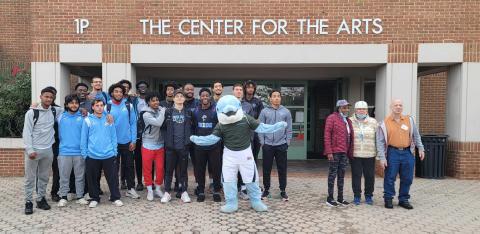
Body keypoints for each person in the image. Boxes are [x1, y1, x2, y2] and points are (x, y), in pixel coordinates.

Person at [190, 95, 287, 213]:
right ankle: (231, 202)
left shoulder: (246, 118)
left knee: (251, 178)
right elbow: (212, 139)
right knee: (228, 180)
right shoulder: (221, 124)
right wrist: (198, 140)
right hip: (229, 155)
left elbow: (261, 127)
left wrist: (277, 126)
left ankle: (256, 201)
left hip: (245, 154)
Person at [377, 99, 425, 209]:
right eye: (396, 105)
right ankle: (388, 198)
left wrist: (421, 148)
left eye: (400, 105)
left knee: (407, 178)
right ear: (391, 107)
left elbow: (416, 136)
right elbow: (380, 142)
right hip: (392, 152)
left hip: (407, 152)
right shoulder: (384, 123)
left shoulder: (409, 120)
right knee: (390, 177)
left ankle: (403, 199)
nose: (398, 107)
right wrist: (382, 158)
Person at [22, 87, 63, 215]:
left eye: (51, 97)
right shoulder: (32, 113)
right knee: (30, 178)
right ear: (40, 97)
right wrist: (30, 150)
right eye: (46, 96)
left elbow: (70, 108)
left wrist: (83, 110)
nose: (48, 99)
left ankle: (40, 199)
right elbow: (27, 132)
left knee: (44, 177)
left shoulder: (54, 110)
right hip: (33, 151)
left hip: (48, 150)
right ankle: (28, 202)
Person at [81, 99, 123, 208]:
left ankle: (115, 197)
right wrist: (85, 154)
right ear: (93, 107)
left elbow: (114, 136)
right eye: (97, 105)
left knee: (112, 178)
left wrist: (114, 151)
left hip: (109, 154)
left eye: (101, 105)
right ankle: (94, 198)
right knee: (93, 179)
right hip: (92, 155)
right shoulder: (87, 120)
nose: (99, 107)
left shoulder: (109, 119)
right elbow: (83, 139)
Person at [258, 89, 292, 201]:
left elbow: (289, 128)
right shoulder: (264, 111)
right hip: (267, 145)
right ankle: (266, 190)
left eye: (278, 96)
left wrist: (287, 142)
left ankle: (283, 190)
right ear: (270, 98)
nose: (276, 98)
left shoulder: (286, 112)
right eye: (274, 96)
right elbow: (261, 127)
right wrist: (262, 142)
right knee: (266, 168)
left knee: (282, 168)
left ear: (280, 98)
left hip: (281, 144)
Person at [106, 83, 139, 199]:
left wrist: (133, 140)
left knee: (129, 166)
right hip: (112, 143)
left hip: (127, 142)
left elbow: (133, 123)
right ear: (112, 93)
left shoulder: (128, 106)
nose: (119, 93)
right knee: (113, 168)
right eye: (116, 91)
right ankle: (114, 191)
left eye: (120, 91)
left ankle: (130, 189)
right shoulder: (106, 107)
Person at [56, 94, 89, 207]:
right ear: (66, 104)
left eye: (76, 103)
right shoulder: (60, 115)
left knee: (80, 176)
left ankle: (80, 196)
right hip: (64, 152)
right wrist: (34, 106)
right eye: (71, 103)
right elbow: (48, 108)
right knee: (64, 176)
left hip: (79, 152)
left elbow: (98, 114)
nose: (74, 105)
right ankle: (63, 196)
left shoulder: (84, 117)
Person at [161, 89, 193, 203]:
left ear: (184, 99)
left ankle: (184, 192)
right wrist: (167, 141)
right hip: (171, 147)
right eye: (177, 96)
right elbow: (163, 127)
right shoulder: (168, 112)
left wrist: (188, 141)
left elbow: (191, 127)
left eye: (181, 96)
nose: (179, 98)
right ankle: (167, 193)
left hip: (183, 147)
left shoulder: (188, 112)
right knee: (168, 171)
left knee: (183, 171)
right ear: (173, 98)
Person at [192, 88, 222, 202]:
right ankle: (200, 191)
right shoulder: (195, 111)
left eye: (207, 95)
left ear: (210, 97)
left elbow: (221, 126)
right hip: (199, 146)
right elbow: (193, 127)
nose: (205, 97)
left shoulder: (216, 110)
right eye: (202, 96)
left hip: (214, 146)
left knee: (215, 169)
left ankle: (216, 191)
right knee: (200, 168)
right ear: (200, 97)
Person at [324, 99, 354, 207]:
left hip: (344, 152)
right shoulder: (332, 118)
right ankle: (330, 198)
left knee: (341, 175)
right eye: (344, 107)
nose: (347, 109)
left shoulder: (347, 120)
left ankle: (340, 198)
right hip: (335, 151)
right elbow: (327, 135)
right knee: (332, 175)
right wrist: (329, 151)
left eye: (347, 107)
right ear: (339, 108)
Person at [349, 101, 378, 205]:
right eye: (359, 109)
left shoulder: (373, 122)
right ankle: (357, 196)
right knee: (356, 176)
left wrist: (378, 154)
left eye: (363, 109)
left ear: (367, 110)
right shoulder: (350, 121)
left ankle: (368, 196)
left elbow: (377, 138)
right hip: (356, 154)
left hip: (369, 154)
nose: (361, 111)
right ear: (355, 110)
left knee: (369, 176)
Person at [141, 92, 166, 201]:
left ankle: (158, 188)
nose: (156, 102)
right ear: (148, 102)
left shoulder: (160, 109)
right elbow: (159, 122)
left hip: (160, 144)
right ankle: (150, 190)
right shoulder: (146, 114)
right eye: (153, 100)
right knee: (147, 169)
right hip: (147, 144)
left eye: (157, 100)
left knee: (160, 168)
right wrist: (163, 111)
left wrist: (162, 110)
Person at [232, 83, 254, 199]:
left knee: (243, 166)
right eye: (237, 89)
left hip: (244, 141)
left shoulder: (248, 106)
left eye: (241, 89)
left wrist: (250, 139)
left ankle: (243, 188)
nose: (239, 91)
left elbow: (251, 123)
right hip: (230, 141)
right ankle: (232, 190)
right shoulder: (228, 105)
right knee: (231, 167)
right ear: (233, 91)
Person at [132, 80, 150, 191]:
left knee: (149, 159)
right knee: (138, 158)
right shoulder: (134, 100)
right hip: (138, 132)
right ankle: (139, 182)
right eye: (140, 87)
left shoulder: (151, 99)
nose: (142, 88)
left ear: (147, 88)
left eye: (144, 86)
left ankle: (150, 181)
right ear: (137, 89)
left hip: (149, 132)